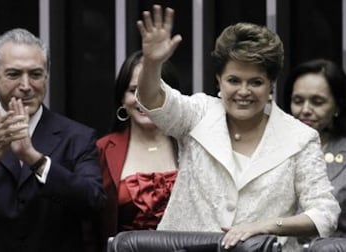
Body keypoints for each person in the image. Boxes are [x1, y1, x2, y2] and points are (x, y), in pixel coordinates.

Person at [135, 5, 340, 251]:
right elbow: (152, 101)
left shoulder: (300, 137)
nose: (244, 92)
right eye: (234, 81)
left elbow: (324, 213)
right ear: (219, 80)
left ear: (271, 84)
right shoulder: (199, 113)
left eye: (255, 82)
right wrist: (151, 63)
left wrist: (266, 226)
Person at [0, 28, 106, 252]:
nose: (26, 86)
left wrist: (35, 159)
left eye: (35, 74)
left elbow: (93, 204)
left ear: (46, 77)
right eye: (14, 74)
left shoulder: (78, 136)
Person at [96, 50, 179, 249]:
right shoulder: (103, 149)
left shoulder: (190, 144)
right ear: (122, 99)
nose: (144, 99)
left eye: (154, 90)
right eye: (134, 90)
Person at [283, 59, 346, 237]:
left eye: (317, 102)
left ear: (337, 106)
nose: (305, 110)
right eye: (298, 101)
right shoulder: (274, 149)